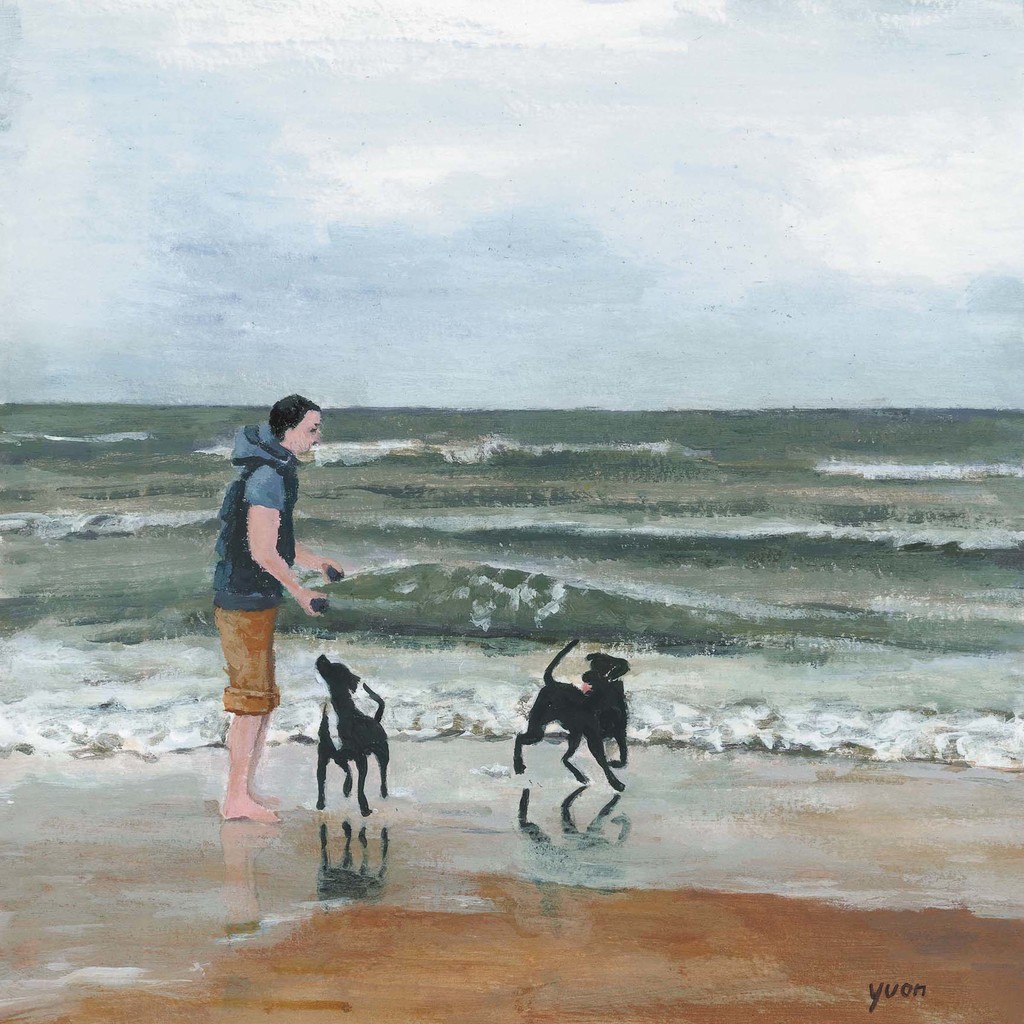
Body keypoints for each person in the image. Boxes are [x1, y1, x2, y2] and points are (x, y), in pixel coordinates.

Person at [213, 395, 345, 822]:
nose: (317, 437)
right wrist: (301, 592)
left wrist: (316, 562)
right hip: (243, 597)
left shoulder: (276, 467)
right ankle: (235, 797)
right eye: (312, 429)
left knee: (262, 700)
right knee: (251, 701)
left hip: (255, 598)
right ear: (287, 430)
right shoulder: (267, 476)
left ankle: (245, 790)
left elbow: (279, 543)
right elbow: (262, 551)